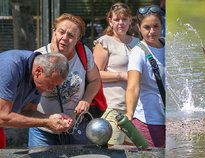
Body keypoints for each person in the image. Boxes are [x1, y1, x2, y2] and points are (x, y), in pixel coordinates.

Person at [28, 13, 100, 147]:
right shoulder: (39, 56)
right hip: (43, 131)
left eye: (71, 35)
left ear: (78, 39)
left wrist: (86, 100)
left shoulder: (84, 53)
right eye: (61, 32)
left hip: (76, 127)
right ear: (54, 32)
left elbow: (95, 81)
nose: (64, 38)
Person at [0, 50, 71, 148]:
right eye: (50, 84)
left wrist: (50, 118)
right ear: (38, 71)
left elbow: (28, 111)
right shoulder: (10, 66)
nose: (51, 89)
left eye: (55, 86)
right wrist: (46, 122)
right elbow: (2, 117)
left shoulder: (38, 77)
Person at [93, 2, 139, 145]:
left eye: (124, 19)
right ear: (110, 21)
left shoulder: (138, 43)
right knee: (113, 149)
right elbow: (95, 76)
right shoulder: (104, 42)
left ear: (130, 21)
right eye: (117, 19)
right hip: (114, 108)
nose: (121, 23)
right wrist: (122, 75)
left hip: (136, 111)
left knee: (136, 151)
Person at [125, 5, 165, 147]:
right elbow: (133, 86)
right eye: (147, 27)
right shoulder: (138, 52)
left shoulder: (168, 45)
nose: (152, 32)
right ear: (139, 27)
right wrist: (129, 113)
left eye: (156, 26)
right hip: (149, 123)